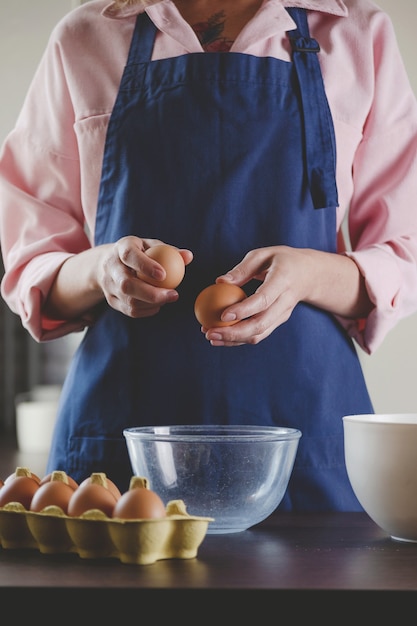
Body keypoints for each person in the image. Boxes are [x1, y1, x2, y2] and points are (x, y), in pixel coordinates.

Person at [1, 0, 417, 510]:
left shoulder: (357, 33)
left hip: (305, 433)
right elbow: (32, 265)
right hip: (124, 438)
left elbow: (405, 253)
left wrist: (310, 275)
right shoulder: (86, 36)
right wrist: (102, 269)